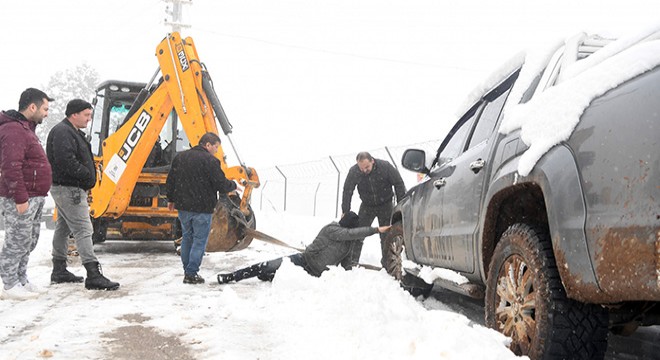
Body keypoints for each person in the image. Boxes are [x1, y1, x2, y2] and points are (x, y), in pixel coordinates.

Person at [47, 99, 119, 291]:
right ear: (74, 114)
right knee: (84, 229)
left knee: (63, 229)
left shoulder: (71, 132)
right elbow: (65, 161)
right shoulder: (64, 132)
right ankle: (93, 273)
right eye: (86, 115)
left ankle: (59, 269)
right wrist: (87, 175)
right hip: (70, 189)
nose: (89, 119)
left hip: (66, 187)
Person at [217, 211, 390, 284]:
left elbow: (346, 265)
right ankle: (232, 277)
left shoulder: (348, 243)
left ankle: (270, 277)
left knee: (277, 277)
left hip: (314, 274)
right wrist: (375, 230)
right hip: (302, 261)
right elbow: (351, 234)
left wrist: (353, 275)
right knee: (266, 266)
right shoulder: (333, 229)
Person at [0, 88, 54, 300]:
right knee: (16, 240)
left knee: (28, 240)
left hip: (33, 196)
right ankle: (9, 284)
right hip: (21, 198)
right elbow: (11, 167)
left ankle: (21, 278)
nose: (47, 113)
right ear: (32, 107)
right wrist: (20, 198)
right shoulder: (14, 130)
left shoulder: (25, 129)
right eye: (45, 108)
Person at [166, 132, 237, 284]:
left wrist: (170, 199)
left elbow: (171, 180)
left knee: (187, 238)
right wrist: (234, 185)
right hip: (202, 209)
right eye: (216, 147)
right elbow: (221, 184)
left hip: (183, 208)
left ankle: (188, 271)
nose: (216, 151)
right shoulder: (211, 161)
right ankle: (191, 274)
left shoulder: (180, 157)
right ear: (207, 145)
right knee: (199, 241)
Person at [341, 152, 405, 268]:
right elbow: (347, 190)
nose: (364, 170)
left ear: (372, 161)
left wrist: (401, 205)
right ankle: (352, 261)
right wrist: (345, 210)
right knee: (359, 233)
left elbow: (399, 184)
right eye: (361, 168)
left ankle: (387, 264)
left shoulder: (385, 167)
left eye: (367, 167)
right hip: (367, 205)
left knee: (386, 236)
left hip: (385, 204)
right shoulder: (354, 171)